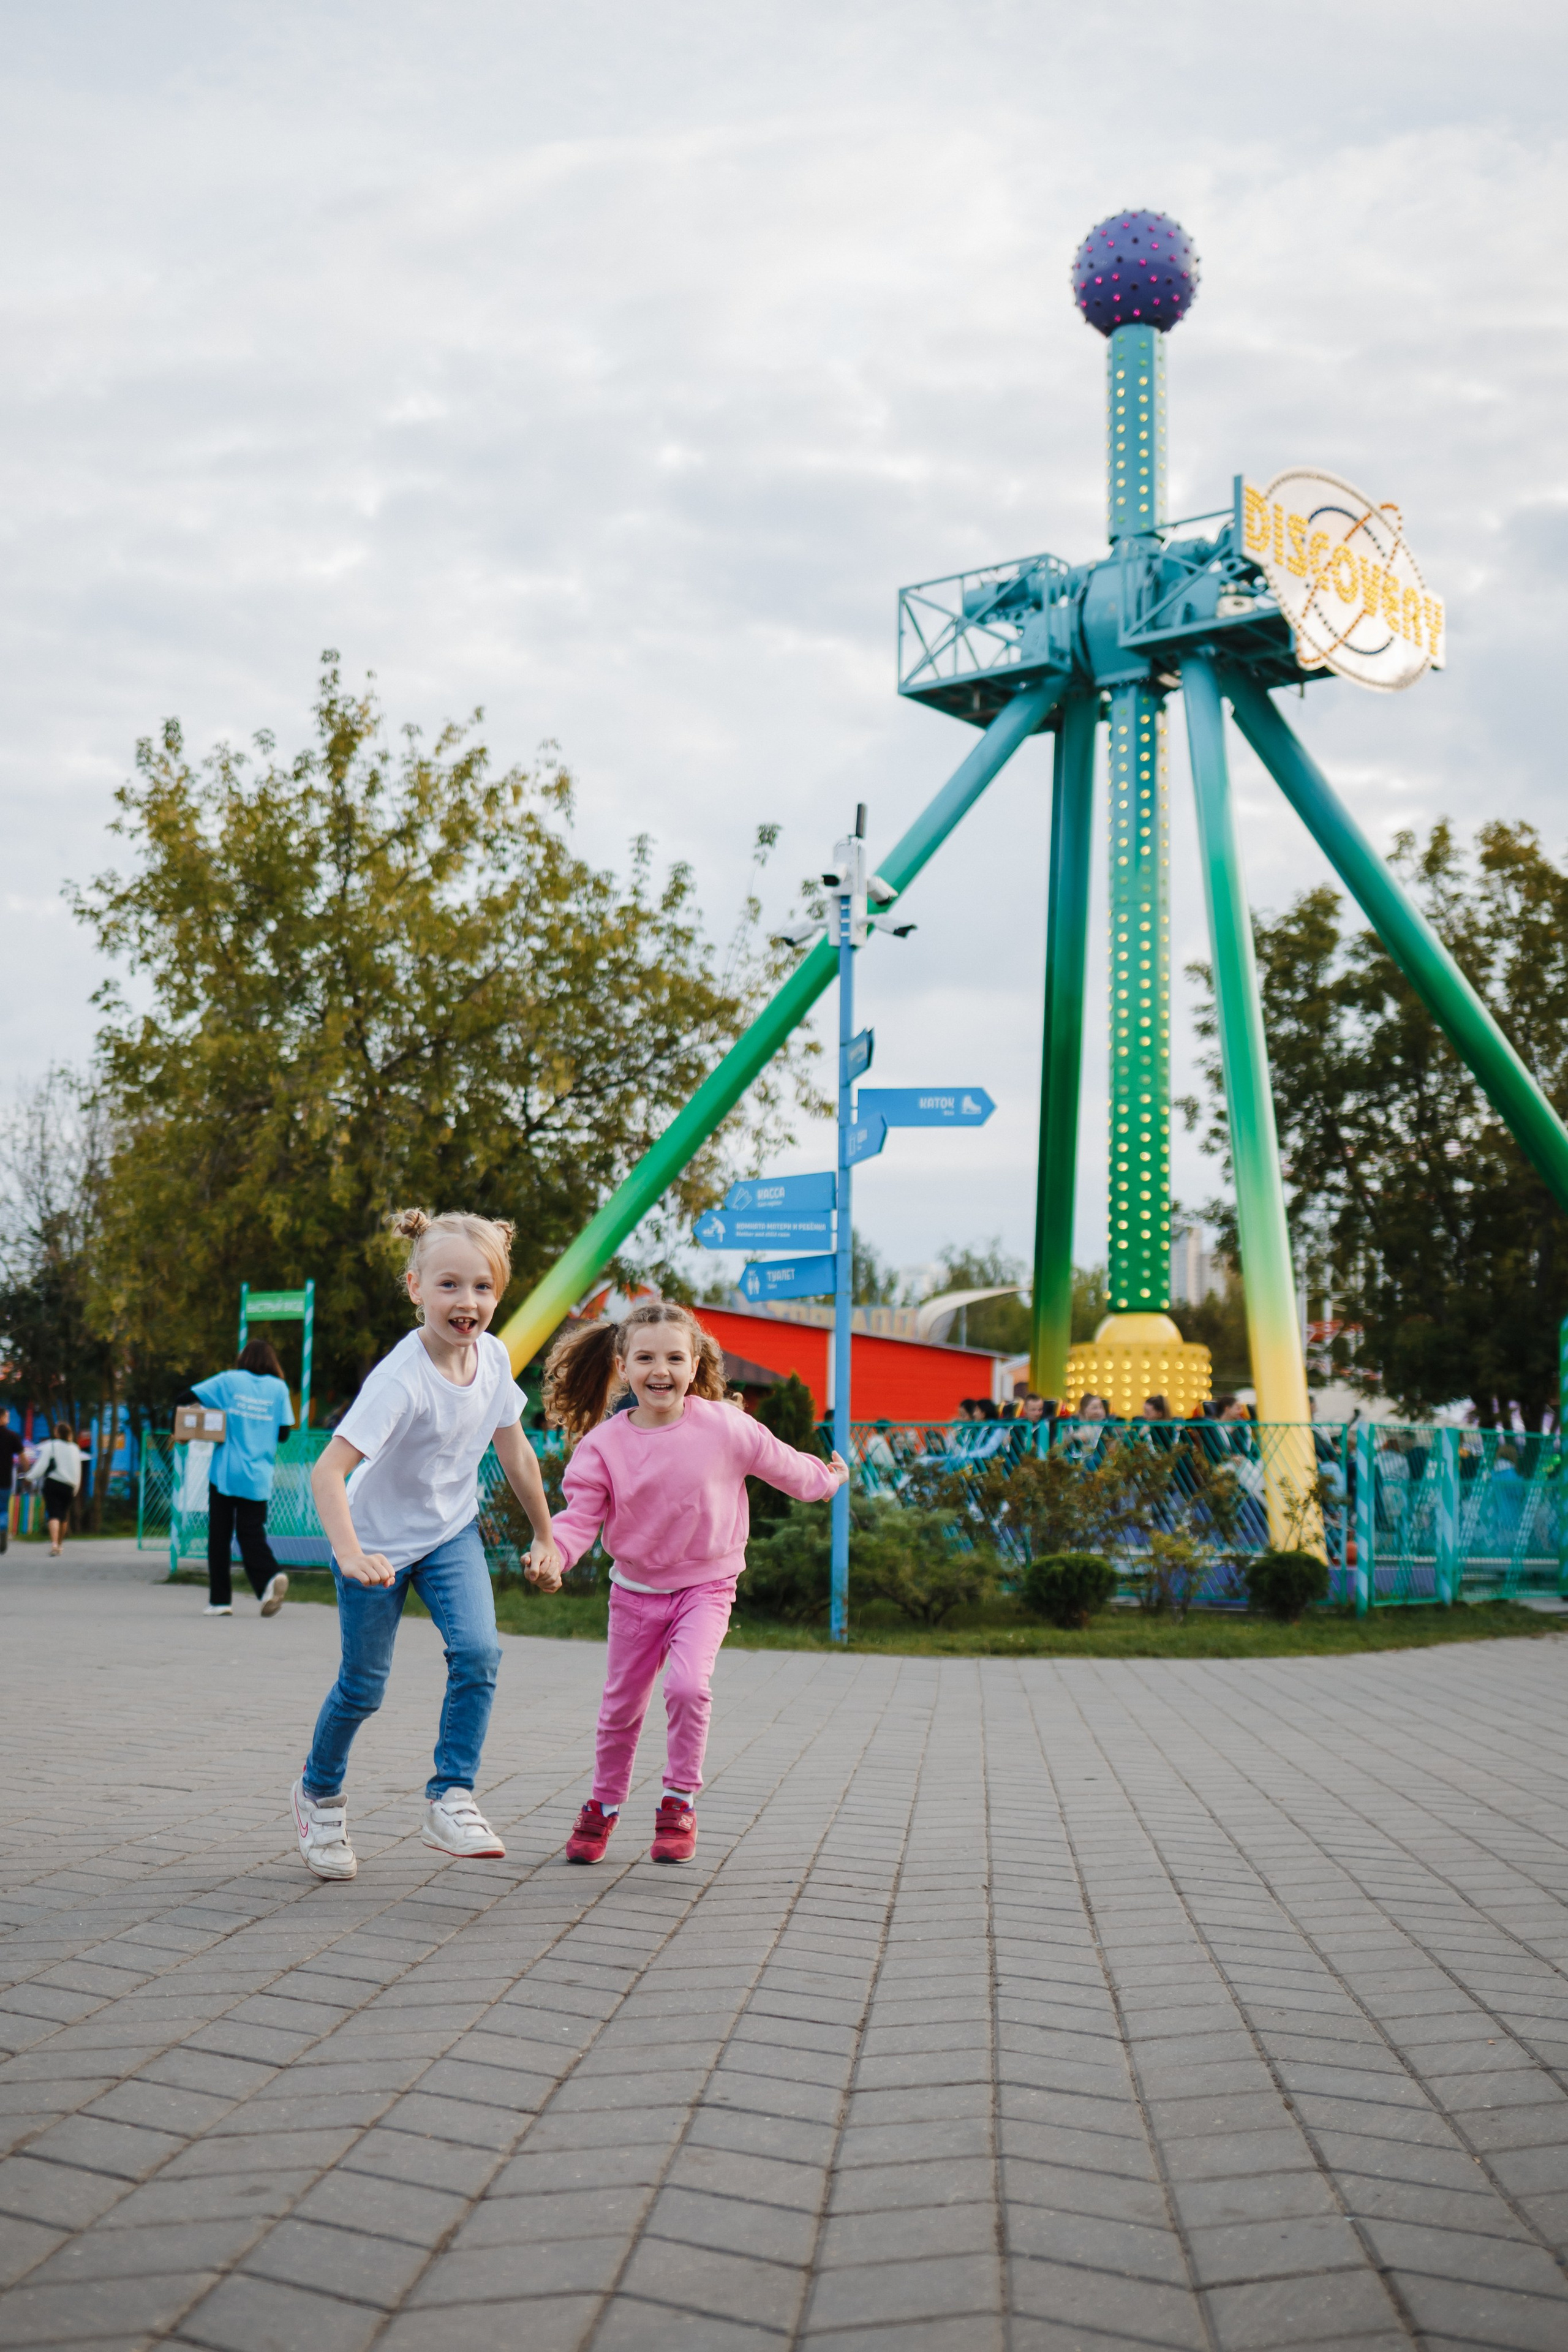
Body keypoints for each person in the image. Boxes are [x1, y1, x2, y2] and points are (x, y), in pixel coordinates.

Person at [293, 1209, 563, 1883]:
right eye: (448, 1285)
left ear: (497, 1297)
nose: (465, 1303)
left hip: (448, 1535)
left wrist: (545, 1532)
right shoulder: (400, 1379)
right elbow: (328, 1471)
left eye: (481, 1289)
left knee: (479, 1652)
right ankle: (318, 1795)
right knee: (363, 1688)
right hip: (375, 1543)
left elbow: (517, 1452)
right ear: (414, 1287)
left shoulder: (495, 1359)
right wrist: (350, 1552)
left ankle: (451, 1795)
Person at [541, 1300, 847, 1868]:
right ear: (623, 1365)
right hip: (634, 1592)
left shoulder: (724, 1426)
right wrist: (554, 1556)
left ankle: (678, 1802)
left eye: (675, 1357)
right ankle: (603, 1806)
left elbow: (783, 1464)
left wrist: (826, 1481)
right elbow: (579, 1516)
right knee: (621, 1710)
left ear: (695, 1363)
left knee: (688, 1688)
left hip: (706, 1587)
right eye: (647, 1358)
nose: (662, 1369)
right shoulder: (604, 1445)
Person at [186, 1339, 296, 1618]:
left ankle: (221, 1601)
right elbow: (284, 1433)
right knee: (251, 1534)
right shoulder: (279, 1388)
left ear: (243, 1359)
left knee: (220, 1537)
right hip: (258, 1475)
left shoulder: (228, 1381)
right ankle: (270, 1578)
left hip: (225, 1472)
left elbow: (186, 1398)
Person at [31, 1422, 81, 1556]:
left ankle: (53, 1544)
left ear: (57, 1433)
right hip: (69, 1485)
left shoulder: (51, 1445)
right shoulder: (75, 1448)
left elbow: (41, 1465)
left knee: (53, 1514)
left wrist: (30, 1477)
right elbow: (78, 1469)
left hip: (53, 1483)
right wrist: (76, 1487)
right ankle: (59, 1545)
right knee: (63, 1516)